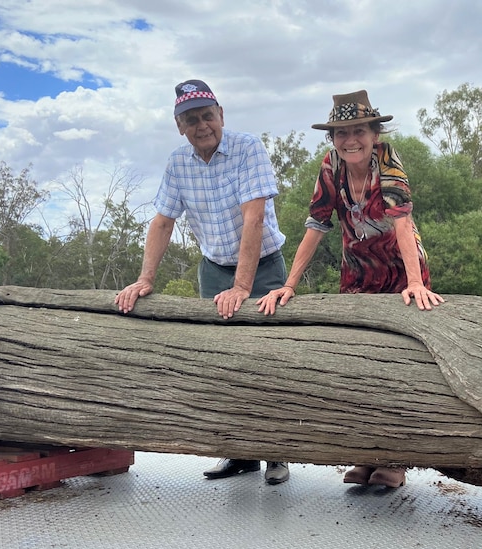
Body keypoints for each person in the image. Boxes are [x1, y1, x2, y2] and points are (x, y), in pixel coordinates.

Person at [256, 89, 445, 488]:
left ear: (375, 133)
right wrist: (289, 285)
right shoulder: (331, 168)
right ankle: (365, 455)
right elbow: (316, 226)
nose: (349, 140)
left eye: (358, 130)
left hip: (400, 270)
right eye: (340, 133)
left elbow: (402, 222)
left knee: (399, 368)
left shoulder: (388, 162)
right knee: (360, 363)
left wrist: (414, 282)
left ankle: (394, 462)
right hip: (358, 274)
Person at [114, 79, 290, 485]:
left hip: (262, 267)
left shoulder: (248, 148)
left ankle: (278, 454)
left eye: (207, 115)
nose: (201, 125)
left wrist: (243, 287)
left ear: (221, 115)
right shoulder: (178, 163)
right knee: (220, 362)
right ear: (179, 126)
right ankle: (237, 454)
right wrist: (144, 280)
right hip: (213, 268)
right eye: (190, 119)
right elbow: (162, 221)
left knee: (267, 361)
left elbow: (254, 217)